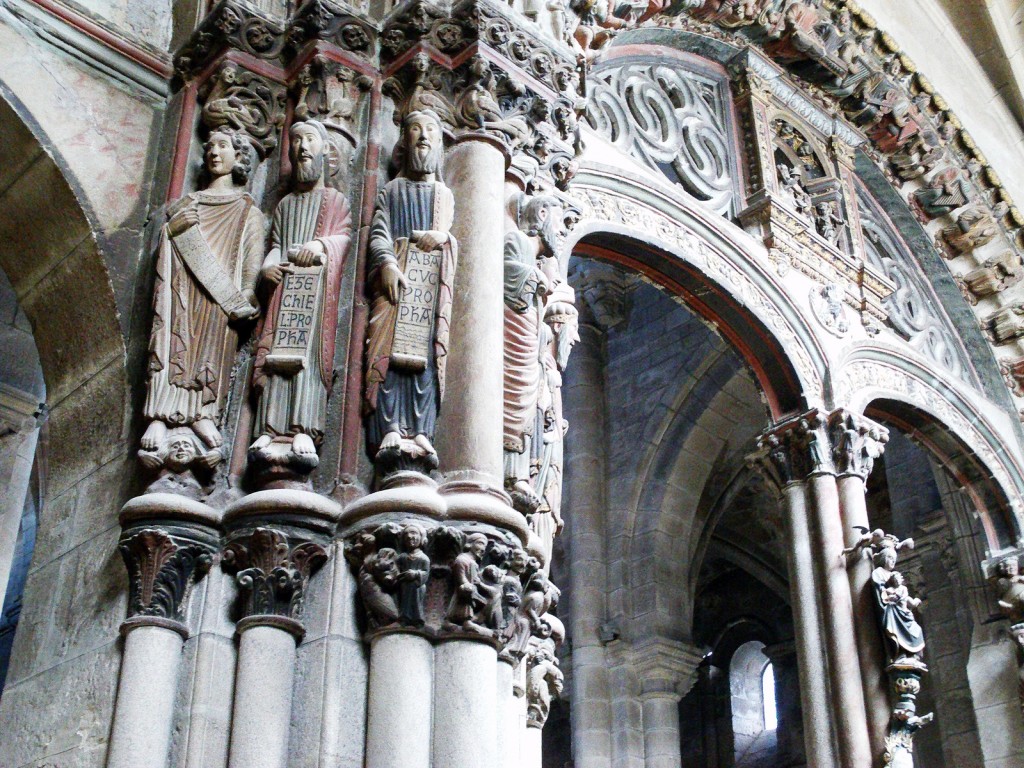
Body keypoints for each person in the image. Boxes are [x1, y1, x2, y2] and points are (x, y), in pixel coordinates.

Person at [142, 128, 263, 464]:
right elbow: (168, 244)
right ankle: (160, 415)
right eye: (210, 146)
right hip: (182, 287)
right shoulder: (188, 204)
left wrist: (248, 294)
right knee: (170, 340)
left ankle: (203, 413)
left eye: (222, 146)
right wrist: (174, 230)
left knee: (211, 348)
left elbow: (252, 256)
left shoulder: (246, 210)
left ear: (239, 157)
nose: (213, 152)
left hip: (219, 299)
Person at [250, 119, 352, 467]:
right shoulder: (286, 205)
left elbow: (344, 238)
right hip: (284, 291)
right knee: (277, 355)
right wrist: (268, 265)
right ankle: (270, 426)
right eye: (295, 142)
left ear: (325, 151)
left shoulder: (335, 200)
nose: (302, 147)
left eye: (309, 140)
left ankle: (304, 426)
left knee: (306, 359)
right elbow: (278, 244)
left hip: (316, 293)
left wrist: (320, 245)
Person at [365, 110, 457, 472]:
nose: (423, 136)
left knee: (426, 358)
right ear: (404, 141)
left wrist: (442, 238)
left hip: (428, 287)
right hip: (394, 284)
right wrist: (386, 263)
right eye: (416, 129)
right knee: (387, 352)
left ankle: (420, 430)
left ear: (438, 143)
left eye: (430, 130)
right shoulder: (392, 190)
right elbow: (378, 232)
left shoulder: (443, 194)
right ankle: (389, 426)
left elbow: (448, 236)